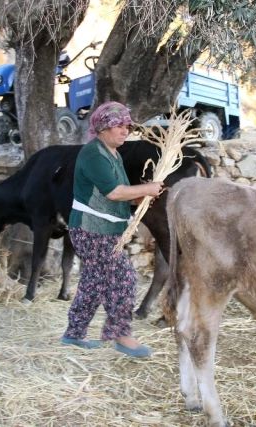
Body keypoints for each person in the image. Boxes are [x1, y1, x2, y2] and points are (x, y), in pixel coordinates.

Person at [61, 101, 163, 358]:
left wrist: (138, 198)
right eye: (118, 125)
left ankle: (74, 334)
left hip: (102, 230)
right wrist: (146, 189)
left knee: (94, 283)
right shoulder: (95, 154)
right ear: (103, 128)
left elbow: (115, 195)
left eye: (126, 126)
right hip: (92, 230)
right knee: (124, 278)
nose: (124, 131)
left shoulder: (112, 154)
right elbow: (114, 192)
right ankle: (122, 336)